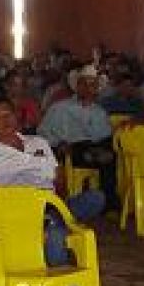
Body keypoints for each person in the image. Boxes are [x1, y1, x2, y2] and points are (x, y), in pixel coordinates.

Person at [0, 96, 105, 286]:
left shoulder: (38, 142)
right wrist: (31, 212)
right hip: (17, 215)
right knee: (56, 236)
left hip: (51, 206)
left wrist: (56, 205)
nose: (6, 120)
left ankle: (52, 221)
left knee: (96, 197)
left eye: (9, 114)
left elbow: (59, 181)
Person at [38, 64, 118, 209]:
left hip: (96, 147)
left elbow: (105, 136)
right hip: (70, 149)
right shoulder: (60, 108)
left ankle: (110, 205)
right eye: (84, 84)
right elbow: (43, 132)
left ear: (97, 89)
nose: (88, 88)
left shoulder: (100, 112)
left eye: (92, 85)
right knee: (81, 150)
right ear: (77, 86)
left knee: (110, 155)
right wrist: (58, 143)